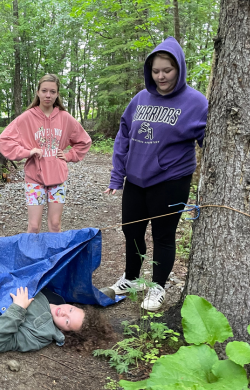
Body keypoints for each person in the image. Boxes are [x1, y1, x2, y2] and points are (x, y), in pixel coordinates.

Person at [105, 37, 208, 312]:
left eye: (167, 70)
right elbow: (123, 136)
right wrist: (118, 176)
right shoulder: (140, 99)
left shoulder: (197, 103)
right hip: (136, 180)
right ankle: (131, 279)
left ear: (180, 69)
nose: (161, 76)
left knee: (164, 235)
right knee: (132, 231)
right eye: (155, 70)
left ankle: (158, 286)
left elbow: (209, 142)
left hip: (171, 181)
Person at [0, 74, 92, 234]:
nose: (48, 95)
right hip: (35, 179)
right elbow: (3, 140)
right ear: (38, 92)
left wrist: (68, 156)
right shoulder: (27, 117)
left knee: (55, 225)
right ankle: (32, 258)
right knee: (34, 226)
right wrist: (27, 152)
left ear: (57, 94)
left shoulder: (65, 117)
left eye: (53, 92)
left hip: (58, 179)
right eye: (44, 90)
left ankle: (55, 258)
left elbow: (84, 141)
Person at [0, 287, 112, 353]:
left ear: (65, 332)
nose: (64, 313)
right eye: (71, 310)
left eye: (67, 322)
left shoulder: (41, 335)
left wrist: (18, 308)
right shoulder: (56, 294)